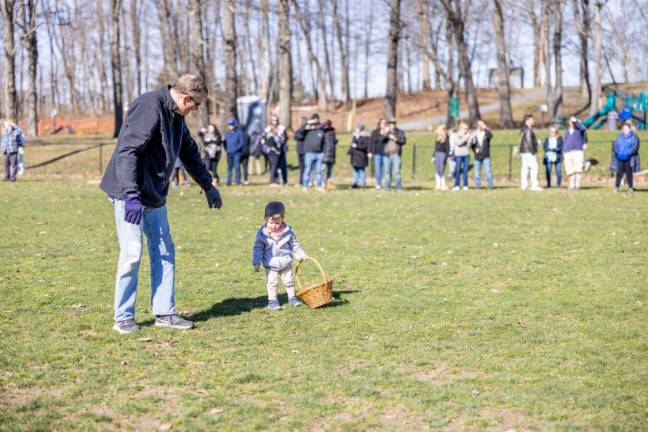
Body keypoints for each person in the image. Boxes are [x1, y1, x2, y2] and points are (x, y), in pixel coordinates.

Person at [99, 74, 223, 334]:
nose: (195, 110)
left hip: (155, 194)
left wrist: (207, 185)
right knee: (132, 253)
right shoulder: (149, 106)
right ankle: (123, 317)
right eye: (196, 105)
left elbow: (188, 151)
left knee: (165, 251)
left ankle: (164, 312)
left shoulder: (176, 117)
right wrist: (130, 195)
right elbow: (127, 151)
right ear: (186, 98)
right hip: (129, 193)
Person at [252, 201, 307, 310]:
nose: (274, 225)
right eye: (271, 222)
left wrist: (301, 255)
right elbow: (258, 248)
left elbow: (294, 244)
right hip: (270, 263)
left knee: (289, 281)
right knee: (272, 283)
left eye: (277, 223)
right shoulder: (262, 233)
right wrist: (256, 261)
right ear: (266, 218)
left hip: (285, 262)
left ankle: (292, 298)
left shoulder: (288, 231)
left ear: (282, 218)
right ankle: (272, 301)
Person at [295, 113, 326, 191]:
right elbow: (298, 133)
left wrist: (323, 152)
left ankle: (319, 186)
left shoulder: (321, 131)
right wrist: (306, 123)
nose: (313, 125)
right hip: (309, 154)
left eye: (315, 123)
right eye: (312, 123)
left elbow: (325, 142)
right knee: (307, 170)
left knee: (319, 171)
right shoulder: (306, 132)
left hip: (319, 154)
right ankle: (305, 185)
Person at [613, 121, 640, 193]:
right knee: (619, 173)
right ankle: (616, 187)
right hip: (619, 157)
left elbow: (635, 147)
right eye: (624, 129)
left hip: (629, 158)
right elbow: (615, 145)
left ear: (629, 129)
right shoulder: (619, 137)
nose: (625, 130)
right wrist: (617, 152)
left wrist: (628, 153)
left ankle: (630, 187)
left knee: (629, 173)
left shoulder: (634, 137)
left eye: (626, 128)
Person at [519, 114, 543, 191]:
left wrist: (535, 142)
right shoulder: (528, 130)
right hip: (528, 151)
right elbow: (529, 141)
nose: (533, 121)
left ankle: (524, 184)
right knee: (534, 167)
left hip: (523, 151)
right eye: (532, 120)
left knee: (525, 168)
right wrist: (533, 151)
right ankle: (534, 185)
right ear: (527, 120)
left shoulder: (523, 128)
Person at [563, 116, 588, 190]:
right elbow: (566, 140)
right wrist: (564, 149)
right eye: (571, 122)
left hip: (577, 150)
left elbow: (584, 129)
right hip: (567, 151)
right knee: (570, 169)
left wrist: (576, 121)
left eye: (573, 122)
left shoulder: (579, 129)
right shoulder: (567, 131)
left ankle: (577, 184)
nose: (572, 123)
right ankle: (571, 184)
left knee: (578, 168)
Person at [263, 115, 288, 186]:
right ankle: (273, 181)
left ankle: (285, 181)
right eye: (273, 120)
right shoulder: (267, 129)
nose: (275, 122)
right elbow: (263, 139)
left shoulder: (282, 128)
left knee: (283, 166)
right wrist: (267, 148)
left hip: (281, 149)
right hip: (272, 150)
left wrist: (285, 146)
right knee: (274, 165)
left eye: (276, 120)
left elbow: (285, 137)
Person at [383, 119, 406, 192]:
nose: (391, 125)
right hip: (387, 155)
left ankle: (398, 188)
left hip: (396, 155)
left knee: (397, 172)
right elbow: (382, 141)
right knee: (387, 172)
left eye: (393, 123)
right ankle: (387, 188)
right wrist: (386, 134)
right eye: (390, 124)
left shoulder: (400, 132)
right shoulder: (387, 132)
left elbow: (403, 141)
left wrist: (395, 139)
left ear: (395, 124)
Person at [470, 120, 494, 189]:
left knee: (488, 172)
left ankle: (490, 186)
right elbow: (472, 145)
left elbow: (491, 135)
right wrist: (475, 150)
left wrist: (485, 128)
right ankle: (478, 186)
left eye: (481, 125)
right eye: (479, 125)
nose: (480, 126)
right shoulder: (475, 134)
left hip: (486, 155)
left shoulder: (486, 133)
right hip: (477, 156)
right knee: (477, 173)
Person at [348, 123, 370, 189]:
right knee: (355, 171)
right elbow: (352, 145)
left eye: (357, 128)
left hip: (362, 156)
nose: (356, 129)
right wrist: (350, 152)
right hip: (355, 156)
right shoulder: (354, 136)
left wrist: (357, 146)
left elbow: (365, 146)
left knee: (361, 171)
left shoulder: (365, 137)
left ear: (360, 129)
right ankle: (355, 184)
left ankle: (363, 184)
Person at [450, 122, 470, 191]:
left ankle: (465, 185)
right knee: (457, 170)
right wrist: (466, 137)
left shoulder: (467, 135)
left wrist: (470, 139)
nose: (466, 130)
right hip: (458, 155)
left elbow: (468, 145)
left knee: (465, 170)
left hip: (466, 154)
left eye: (467, 128)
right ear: (461, 128)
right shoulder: (455, 135)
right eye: (465, 128)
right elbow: (458, 143)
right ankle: (456, 185)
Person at [224, 118, 245, 186]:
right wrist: (226, 149)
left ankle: (238, 182)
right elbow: (225, 142)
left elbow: (242, 142)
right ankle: (228, 182)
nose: (230, 126)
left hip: (237, 153)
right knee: (229, 168)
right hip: (229, 153)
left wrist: (236, 149)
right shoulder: (227, 133)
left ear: (235, 125)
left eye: (232, 125)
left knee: (237, 167)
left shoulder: (239, 132)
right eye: (229, 125)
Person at [369, 119, 388, 189]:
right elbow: (370, 142)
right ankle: (378, 184)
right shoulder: (374, 132)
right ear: (379, 124)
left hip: (386, 153)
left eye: (385, 123)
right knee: (378, 169)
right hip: (377, 153)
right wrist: (369, 151)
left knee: (386, 169)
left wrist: (386, 133)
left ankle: (387, 184)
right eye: (382, 123)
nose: (383, 125)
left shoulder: (388, 132)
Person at [321, 119, 338, 189]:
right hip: (332, 154)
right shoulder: (333, 134)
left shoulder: (323, 133)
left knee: (323, 170)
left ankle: (322, 183)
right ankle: (328, 183)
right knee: (329, 171)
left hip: (325, 154)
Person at [432, 125, 449, 190]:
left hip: (443, 154)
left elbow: (447, 148)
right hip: (437, 154)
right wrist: (433, 156)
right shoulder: (438, 138)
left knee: (442, 170)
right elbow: (436, 148)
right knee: (437, 170)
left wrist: (446, 157)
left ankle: (443, 185)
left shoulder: (446, 137)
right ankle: (438, 185)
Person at [295, 116, 308, 183]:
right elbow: (297, 137)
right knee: (302, 167)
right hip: (300, 151)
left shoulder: (308, 131)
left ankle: (306, 181)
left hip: (306, 151)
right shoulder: (299, 130)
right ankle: (301, 181)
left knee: (307, 167)